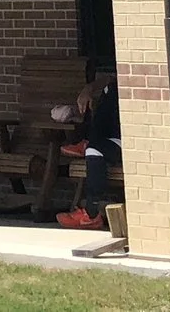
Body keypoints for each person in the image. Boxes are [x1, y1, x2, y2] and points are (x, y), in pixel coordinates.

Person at [55, 70, 119, 231]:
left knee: (94, 151)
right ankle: (88, 143)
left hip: (135, 142)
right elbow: (110, 78)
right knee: (110, 89)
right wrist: (88, 89)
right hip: (112, 139)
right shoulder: (120, 78)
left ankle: (91, 215)